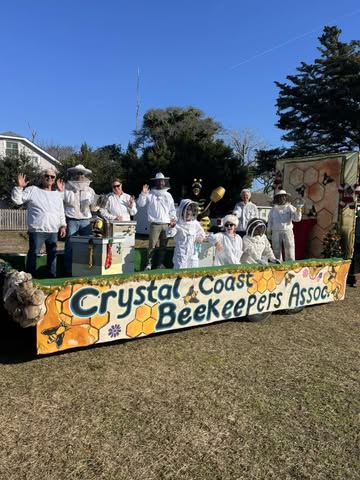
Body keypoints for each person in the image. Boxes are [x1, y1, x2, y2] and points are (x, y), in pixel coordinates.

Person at [11, 169, 66, 278]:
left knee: (52, 256)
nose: (49, 178)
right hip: (37, 230)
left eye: (52, 177)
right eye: (47, 176)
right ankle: (30, 278)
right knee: (33, 254)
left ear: (54, 180)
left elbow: (60, 211)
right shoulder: (33, 190)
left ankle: (51, 278)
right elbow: (18, 200)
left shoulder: (57, 194)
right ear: (42, 177)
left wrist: (63, 225)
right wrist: (19, 187)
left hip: (53, 230)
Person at [137, 172, 176, 270]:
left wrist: (173, 219)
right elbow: (141, 204)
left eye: (162, 181)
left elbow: (172, 209)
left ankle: (160, 264)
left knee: (163, 246)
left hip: (166, 224)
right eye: (159, 181)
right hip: (155, 224)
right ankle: (149, 264)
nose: (161, 183)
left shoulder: (168, 195)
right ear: (156, 182)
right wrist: (143, 193)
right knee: (152, 245)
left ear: (164, 182)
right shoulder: (150, 194)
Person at [63, 164, 96, 275]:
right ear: (73, 174)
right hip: (71, 219)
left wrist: (98, 204)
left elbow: (94, 206)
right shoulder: (66, 188)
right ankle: (68, 271)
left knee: (88, 245)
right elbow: (61, 204)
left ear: (85, 175)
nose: (80, 175)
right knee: (70, 246)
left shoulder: (90, 190)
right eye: (78, 173)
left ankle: (86, 270)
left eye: (82, 173)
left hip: (85, 220)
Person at [166, 199, 206, 269]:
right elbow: (170, 234)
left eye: (190, 210)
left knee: (193, 274)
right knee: (180, 273)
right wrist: (171, 227)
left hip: (193, 254)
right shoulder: (177, 223)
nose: (188, 212)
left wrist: (200, 237)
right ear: (182, 211)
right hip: (181, 254)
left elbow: (201, 233)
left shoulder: (195, 223)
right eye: (186, 210)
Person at [267, 189, 302, 261]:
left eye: (284, 196)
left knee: (290, 249)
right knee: (276, 250)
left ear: (286, 197)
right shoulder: (273, 209)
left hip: (287, 231)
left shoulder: (290, 207)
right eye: (280, 197)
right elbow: (270, 222)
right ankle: (277, 266)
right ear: (277, 198)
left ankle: (290, 266)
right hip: (275, 231)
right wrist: (268, 233)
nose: (282, 198)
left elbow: (297, 219)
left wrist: (299, 209)